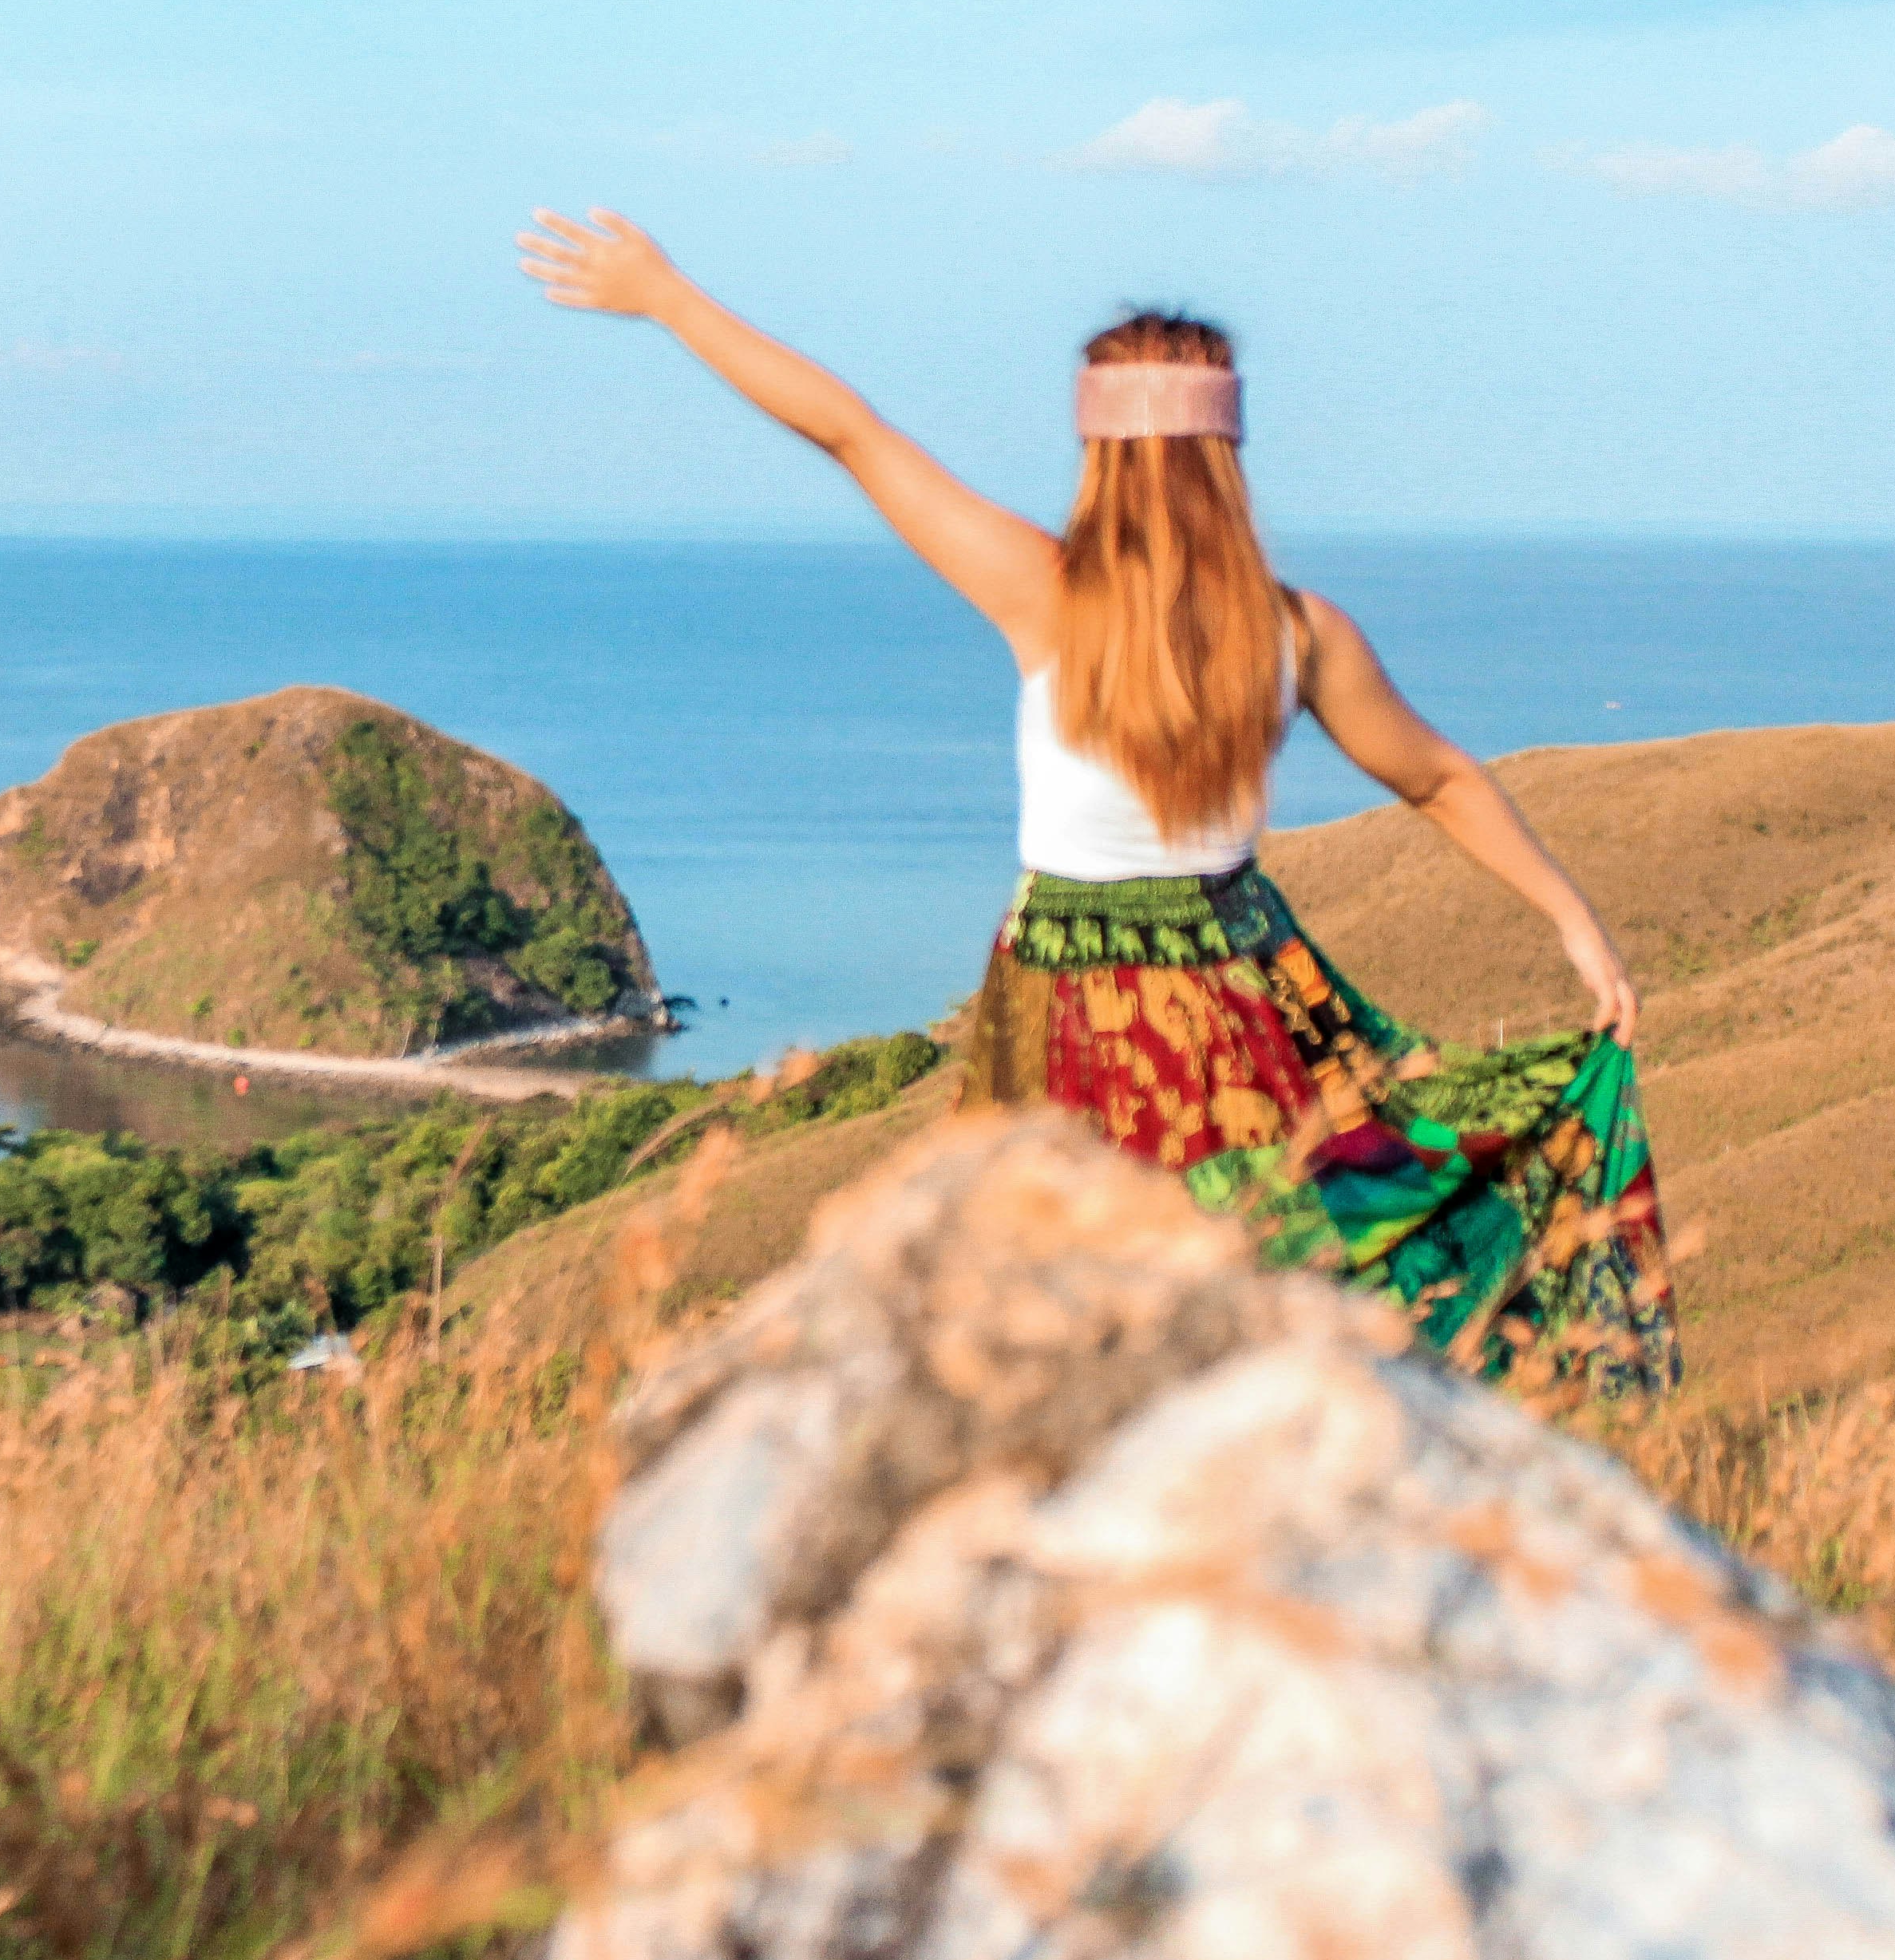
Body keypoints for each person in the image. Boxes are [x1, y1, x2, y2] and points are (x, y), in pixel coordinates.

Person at [519, 210, 1679, 1398]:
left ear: (1100, 455)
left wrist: (667, 298)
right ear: (1228, 455)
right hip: (1245, 980)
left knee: (1050, 1304)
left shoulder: (1046, 593)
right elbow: (1437, 778)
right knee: (1279, 1270)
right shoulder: (1296, 632)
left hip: (1070, 997)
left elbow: (850, 435)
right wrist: (1572, 921)